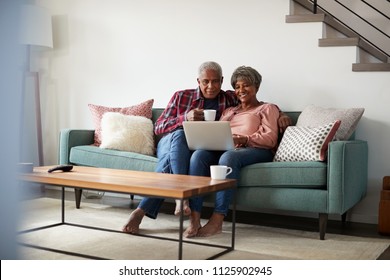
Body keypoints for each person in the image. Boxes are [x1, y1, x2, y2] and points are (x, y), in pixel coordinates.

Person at [122, 62, 291, 234]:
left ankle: (198, 213)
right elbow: (158, 127)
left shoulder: (232, 100)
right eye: (205, 82)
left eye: (215, 81)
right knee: (186, 144)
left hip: (236, 147)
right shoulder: (186, 97)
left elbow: (264, 115)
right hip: (172, 139)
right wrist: (184, 118)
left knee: (203, 155)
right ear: (198, 81)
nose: (211, 86)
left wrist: (280, 114)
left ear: (222, 81)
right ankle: (188, 207)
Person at [183, 66, 280, 238]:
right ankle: (195, 217)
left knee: (229, 156)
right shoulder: (229, 111)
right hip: (227, 147)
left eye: (246, 85)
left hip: (256, 150)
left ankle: (217, 220)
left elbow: (270, 138)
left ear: (256, 87)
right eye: (237, 87)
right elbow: (217, 132)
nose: (241, 90)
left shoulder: (267, 108)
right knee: (199, 155)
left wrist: (244, 139)